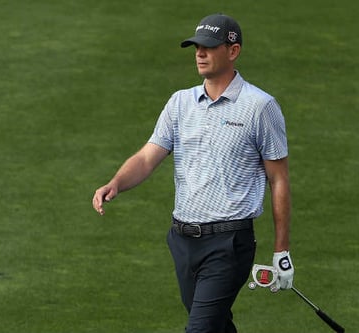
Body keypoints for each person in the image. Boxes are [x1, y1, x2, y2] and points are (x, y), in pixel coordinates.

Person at [91, 13, 294, 333]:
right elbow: (147, 156)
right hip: (182, 241)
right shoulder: (180, 103)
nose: (199, 53)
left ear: (233, 51)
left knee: (199, 329)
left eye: (209, 47)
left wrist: (281, 250)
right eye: (196, 46)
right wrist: (116, 183)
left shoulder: (260, 107)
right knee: (215, 326)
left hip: (230, 243)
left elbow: (278, 179)